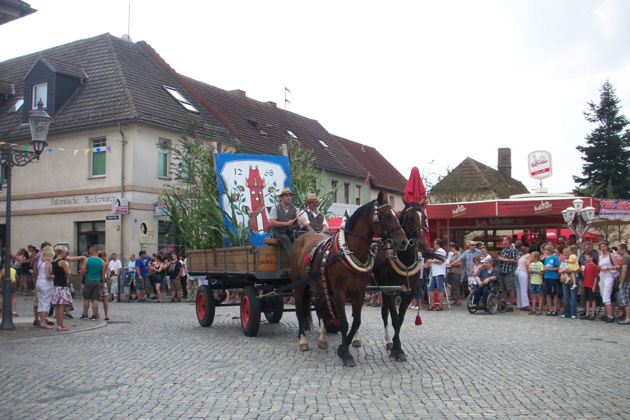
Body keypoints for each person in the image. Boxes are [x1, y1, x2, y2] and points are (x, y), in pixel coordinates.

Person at [268, 187, 307, 259]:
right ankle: (294, 261)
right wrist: (286, 223)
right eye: (286, 196)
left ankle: (305, 260)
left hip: (291, 232)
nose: (289, 198)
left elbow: (300, 218)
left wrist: (303, 221)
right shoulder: (275, 208)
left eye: (290, 196)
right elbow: (272, 223)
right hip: (278, 232)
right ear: (281, 198)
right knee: (286, 239)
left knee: (302, 238)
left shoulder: (295, 209)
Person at [80, 246, 106, 320]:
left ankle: (85, 315)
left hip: (88, 280)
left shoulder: (86, 260)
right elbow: (103, 274)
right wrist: (103, 283)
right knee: (95, 299)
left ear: (91, 251)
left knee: (86, 298)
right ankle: (94, 315)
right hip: (97, 281)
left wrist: (85, 275)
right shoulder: (102, 261)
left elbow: (83, 271)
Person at [51, 245, 73, 331]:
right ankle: (60, 325)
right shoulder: (62, 262)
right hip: (62, 285)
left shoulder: (54, 261)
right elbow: (68, 274)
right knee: (61, 306)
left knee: (57, 306)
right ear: (63, 253)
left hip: (56, 285)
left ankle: (59, 324)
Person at [496, 236, 520, 311]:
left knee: (510, 289)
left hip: (509, 271)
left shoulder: (513, 249)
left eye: (504, 240)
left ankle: (511, 305)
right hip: (502, 271)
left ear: (508, 241)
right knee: (503, 289)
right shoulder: (504, 250)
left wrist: (504, 259)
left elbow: (516, 260)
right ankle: (504, 303)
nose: (502, 242)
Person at [597, 241, 618, 323]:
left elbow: (617, 266)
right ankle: (606, 314)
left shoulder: (611, 256)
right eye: (601, 246)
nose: (603, 248)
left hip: (609, 276)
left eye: (604, 246)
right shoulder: (600, 257)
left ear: (607, 247)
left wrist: (608, 268)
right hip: (602, 276)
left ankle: (610, 315)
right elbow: (599, 267)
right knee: (603, 295)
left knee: (607, 295)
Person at [35, 246, 55, 328]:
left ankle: (40, 320)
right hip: (46, 284)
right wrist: (54, 276)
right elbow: (47, 276)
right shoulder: (47, 262)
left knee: (40, 302)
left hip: (39, 282)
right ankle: (44, 321)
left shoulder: (40, 262)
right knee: (46, 302)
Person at [427, 239, 447, 310]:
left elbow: (441, 261)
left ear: (438, 244)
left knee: (440, 289)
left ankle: (440, 305)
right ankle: (432, 304)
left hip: (439, 272)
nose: (434, 244)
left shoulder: (442, 251)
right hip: (434, 272)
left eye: (435, 243)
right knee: (430, 288)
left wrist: (432, 261)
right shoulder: (435, 252)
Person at [560, 247, 578, 319]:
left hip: (573, 278)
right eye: (565, 253)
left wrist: (567, 270)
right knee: (566, 297)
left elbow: (576, 268)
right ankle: (567, 312)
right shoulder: (564, 261)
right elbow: (560, 270)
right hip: (565, 279)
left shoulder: (573, 259)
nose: (566, 254)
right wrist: (564, 271)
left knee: (573, 297)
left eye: (567, 253)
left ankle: (573, 313)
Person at [542, 245, 560, 316]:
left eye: (546, 250)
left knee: (554, 293)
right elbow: (545, 266)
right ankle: (550, 309)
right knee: (547, 293)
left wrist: (550, 269)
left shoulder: (555, 258)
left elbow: (558, 268)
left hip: (553, 277)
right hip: (547, 276)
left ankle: (555, 309)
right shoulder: (546, 258)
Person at [580, 252, 599, 320]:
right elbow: (584, 275)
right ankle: (587, 313)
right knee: (587, 299)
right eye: (585, 257)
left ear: (591, 257)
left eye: (587, 257)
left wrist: (594, 286)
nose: (586, 259)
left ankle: (593, 313)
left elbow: (596, 276)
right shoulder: (586, 265)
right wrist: (582, 270)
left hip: (591, 284)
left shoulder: (594, 265)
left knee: (593, 299)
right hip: (586, 283)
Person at [616, 243, 630, 325]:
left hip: (626, 281)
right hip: (628, 281)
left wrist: (621, 282)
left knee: (626, 300)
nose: (618, 251)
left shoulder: (625, 258)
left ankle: (628, 318)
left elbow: (624, 270)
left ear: (623, 249)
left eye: (619, 249)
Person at [514, 246, 531, 310]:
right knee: (524, 288)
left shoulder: (521, 257)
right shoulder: (529, 256)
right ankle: (525, 304)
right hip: (523, 272)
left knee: (518, 289)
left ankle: (520, 304)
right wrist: (528, 272)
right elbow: (527, 264)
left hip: (517, 271)